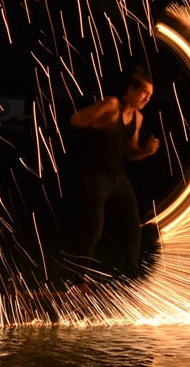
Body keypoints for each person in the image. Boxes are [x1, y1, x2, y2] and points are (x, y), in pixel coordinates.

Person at [67, 66, 160, 288]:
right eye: (144, 93)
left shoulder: (138, 118)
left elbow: (131, 152)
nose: (147, 98)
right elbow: (75, 119)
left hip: (118, 178)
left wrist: (146, 151)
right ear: (131, 89)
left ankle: (132, 279)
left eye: (150, 96)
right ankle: (80, 280)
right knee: (94, 229)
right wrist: (95, 122)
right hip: (96, 176)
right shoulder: (111, 105)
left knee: (133, 225)